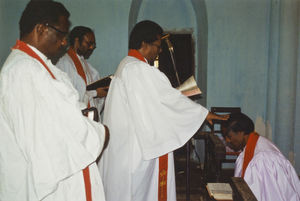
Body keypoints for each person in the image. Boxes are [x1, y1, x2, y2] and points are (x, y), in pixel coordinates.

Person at [99, 20, 227, 201]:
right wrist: (203, 113)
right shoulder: (139, 69)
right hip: (137, 151)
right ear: (144, 44)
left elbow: (153, 101)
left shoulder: (125, 65)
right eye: (158, 46)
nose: (159, 51)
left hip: (123, 149)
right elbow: (167, 100)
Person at [0, 1, 108, 201]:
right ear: (40, 29)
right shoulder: (25, 71)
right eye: (61, 34)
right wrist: (101, 133)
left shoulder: (35, 66)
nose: (64, 43)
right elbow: (57, 135)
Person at [224, 112, 300, 201]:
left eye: (229, 136)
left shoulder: (262, 159)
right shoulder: (254, 145)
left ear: (241, 133)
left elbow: (272, 196)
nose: (227, 140)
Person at [56, 26, 107, 119]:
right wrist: (95, 93)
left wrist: (102, 92)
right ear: (76, 41)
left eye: (93, 45)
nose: (91, 47)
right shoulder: (64, 63)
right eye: (89, 43)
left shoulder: (86, 65)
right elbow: (69, 96)